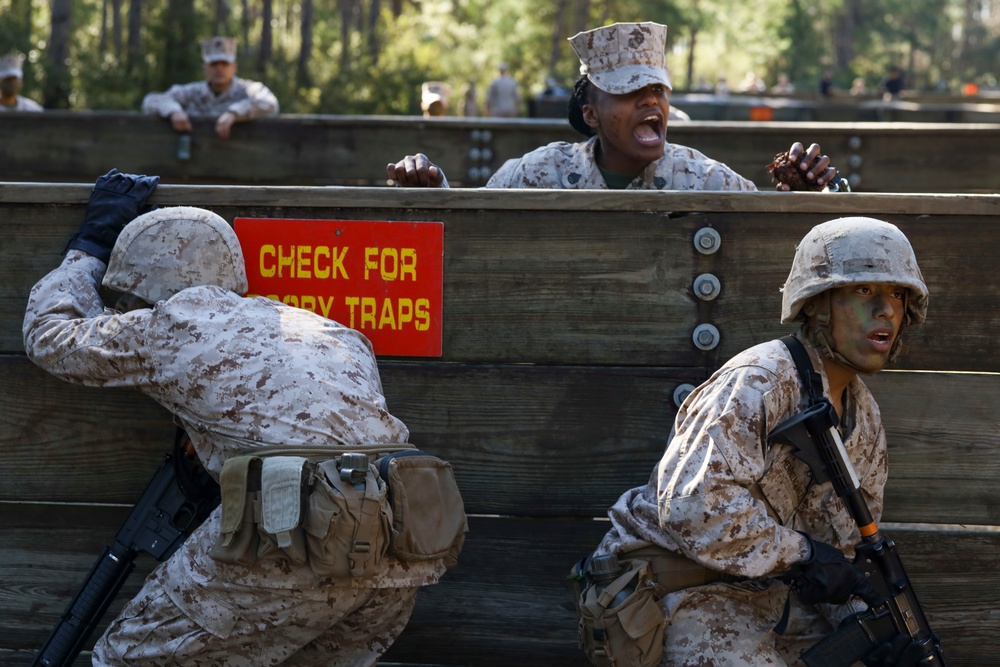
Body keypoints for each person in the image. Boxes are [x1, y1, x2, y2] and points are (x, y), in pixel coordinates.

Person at [23, 170, 458, 665]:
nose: (127, 311)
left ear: (152, 286)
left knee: (123, 659)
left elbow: (49, 336)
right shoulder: (332, 330)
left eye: (130, 301)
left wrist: (90, 245)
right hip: (401, 545)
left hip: (295, 538)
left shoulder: (176, 324)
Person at [588, 216, 930, 665]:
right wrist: (803, 555)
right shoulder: (760, 382)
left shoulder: (862, 419)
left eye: (898, 294)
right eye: (864, 291)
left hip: (768, 601)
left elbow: (839, 557)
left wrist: (873, 629)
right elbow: (694, 507)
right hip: (676, 592)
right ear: (818, 305)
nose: (886, 309)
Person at [387, 22, 840, 191]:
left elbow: (768, 239)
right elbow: (472, 229)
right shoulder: (534, 176)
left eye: (657, 90)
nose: (649, 100)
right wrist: (428, 189)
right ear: (591, 114)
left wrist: (802, 197)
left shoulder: (706, 180)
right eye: (627, 92)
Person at [141, 36, 278, 139]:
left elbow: (270, 104)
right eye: (214, 64)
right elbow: (151, 100)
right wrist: (173, 111)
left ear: (234, 67)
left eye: (224, 64)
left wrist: (234, 113)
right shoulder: (192, 92)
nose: (219, 69)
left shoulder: (248, 89)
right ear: (205, 68)